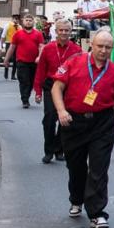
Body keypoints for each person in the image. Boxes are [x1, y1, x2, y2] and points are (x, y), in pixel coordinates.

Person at [52, 29, 114, 228]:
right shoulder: (73, 62)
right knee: (76, 167)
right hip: (73, 122)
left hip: (101, 123)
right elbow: (56, 88)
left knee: (99, 168)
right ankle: (76, 199)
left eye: (108, 47)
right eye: (100, 46)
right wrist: (61, 111)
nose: (103, 51)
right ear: (91, 45)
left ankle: (97, 213)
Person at [34, 18, 82, 164]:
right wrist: (37, 91)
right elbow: (41, 71)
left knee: (65, 120)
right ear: (56, 32)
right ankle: (48, 150)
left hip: (68, 88)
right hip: (50, 85)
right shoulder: (48, 48)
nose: (64, 33)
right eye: (61, 30)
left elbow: (81, 73)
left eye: (66, 30)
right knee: (49, 119)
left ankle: (59, 149)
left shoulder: (77, 50)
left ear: (70, 32)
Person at [3, 14, 44, 108]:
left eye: (30, 20)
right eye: (27, 20)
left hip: (34, 62)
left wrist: (39, 57)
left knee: (31, 81)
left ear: (33, 22)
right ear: (23, 21)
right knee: (24, 81)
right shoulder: (18, 34)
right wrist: (6, 59)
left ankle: (27, 96)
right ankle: (24, 100)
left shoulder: (38, 34)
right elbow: (12, 47)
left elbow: (41, 46)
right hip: (21, 62)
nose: (28, 22)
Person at [2, 14, 20, 79]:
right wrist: (2, 45)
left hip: (17, 45)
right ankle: (6, 72)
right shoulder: (7, 25)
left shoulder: (19, 27)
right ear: (12, 19)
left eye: (17, 19)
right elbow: (3, 35)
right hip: (9, 43)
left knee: (16, 60)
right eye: (15, 19)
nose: (16, 20)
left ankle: (13, 75)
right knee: (8, 58)